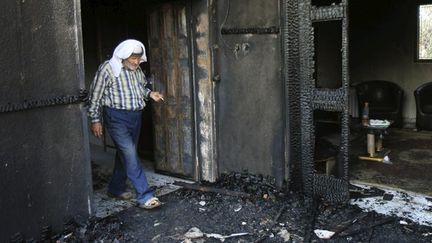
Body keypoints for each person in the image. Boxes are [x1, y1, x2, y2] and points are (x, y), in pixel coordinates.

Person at [88, 39, 164, 209]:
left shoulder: (136, 70)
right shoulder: (108, 69)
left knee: (126, 154)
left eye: (138, 58)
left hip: (135, 117)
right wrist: (95, 120)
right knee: (130, 153)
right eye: (133, 59)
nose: (136, 62)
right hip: (116, 118)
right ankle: (145, 196)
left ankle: (115, 189)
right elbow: (95, 95)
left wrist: (150, 94)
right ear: (123, 56)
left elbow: (140, 88)